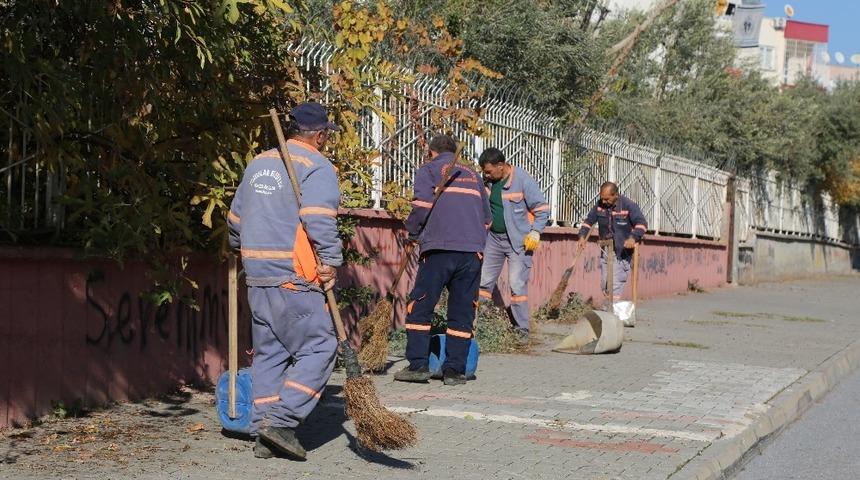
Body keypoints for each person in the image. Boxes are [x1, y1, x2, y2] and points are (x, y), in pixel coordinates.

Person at [227, 102, 341, 460]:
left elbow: (235, 220)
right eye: (326, 136)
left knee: (271, 354)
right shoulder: (317, 166)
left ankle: (262, 429)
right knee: (321, 347)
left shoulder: (258, 163)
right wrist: (331, 260)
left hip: (256, 273)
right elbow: (318, 217)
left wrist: (239, 247)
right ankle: (280, 423)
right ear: (319, 135)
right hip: (294, 275)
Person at [394, 134, 491, 386]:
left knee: (420, 305)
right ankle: (455, 371)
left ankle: (418, 366)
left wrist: (413, 233)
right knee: (462, 311)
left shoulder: (428, 170)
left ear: (431, 152)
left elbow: (422, 206)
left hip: (438, 250)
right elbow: (487, 219)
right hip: (472, 253)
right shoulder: (473, 175)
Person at [477, 148, 550, 343]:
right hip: (493, 240)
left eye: (489, 171)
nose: (486, 175)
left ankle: (521, 330)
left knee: (517, 284)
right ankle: (481, 325)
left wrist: (536, 232)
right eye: (484, 172)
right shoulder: (488, 182)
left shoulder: (523, 180)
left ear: (501, 166)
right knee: (483, 282)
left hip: (518, 242)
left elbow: (542, 209)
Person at [577, 181, 647, 308]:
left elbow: (642, 224)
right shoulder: (600, 205)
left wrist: (633, 238)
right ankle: (611, 309)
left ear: (615, 195)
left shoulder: (628, 205)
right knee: (605, 284)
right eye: (602, 198)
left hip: (621, 252)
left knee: (615, 284)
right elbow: (588, 221)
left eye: (607, 199)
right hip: (606, 250)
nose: (603, 202)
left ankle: (610, 312)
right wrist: (582, 236)